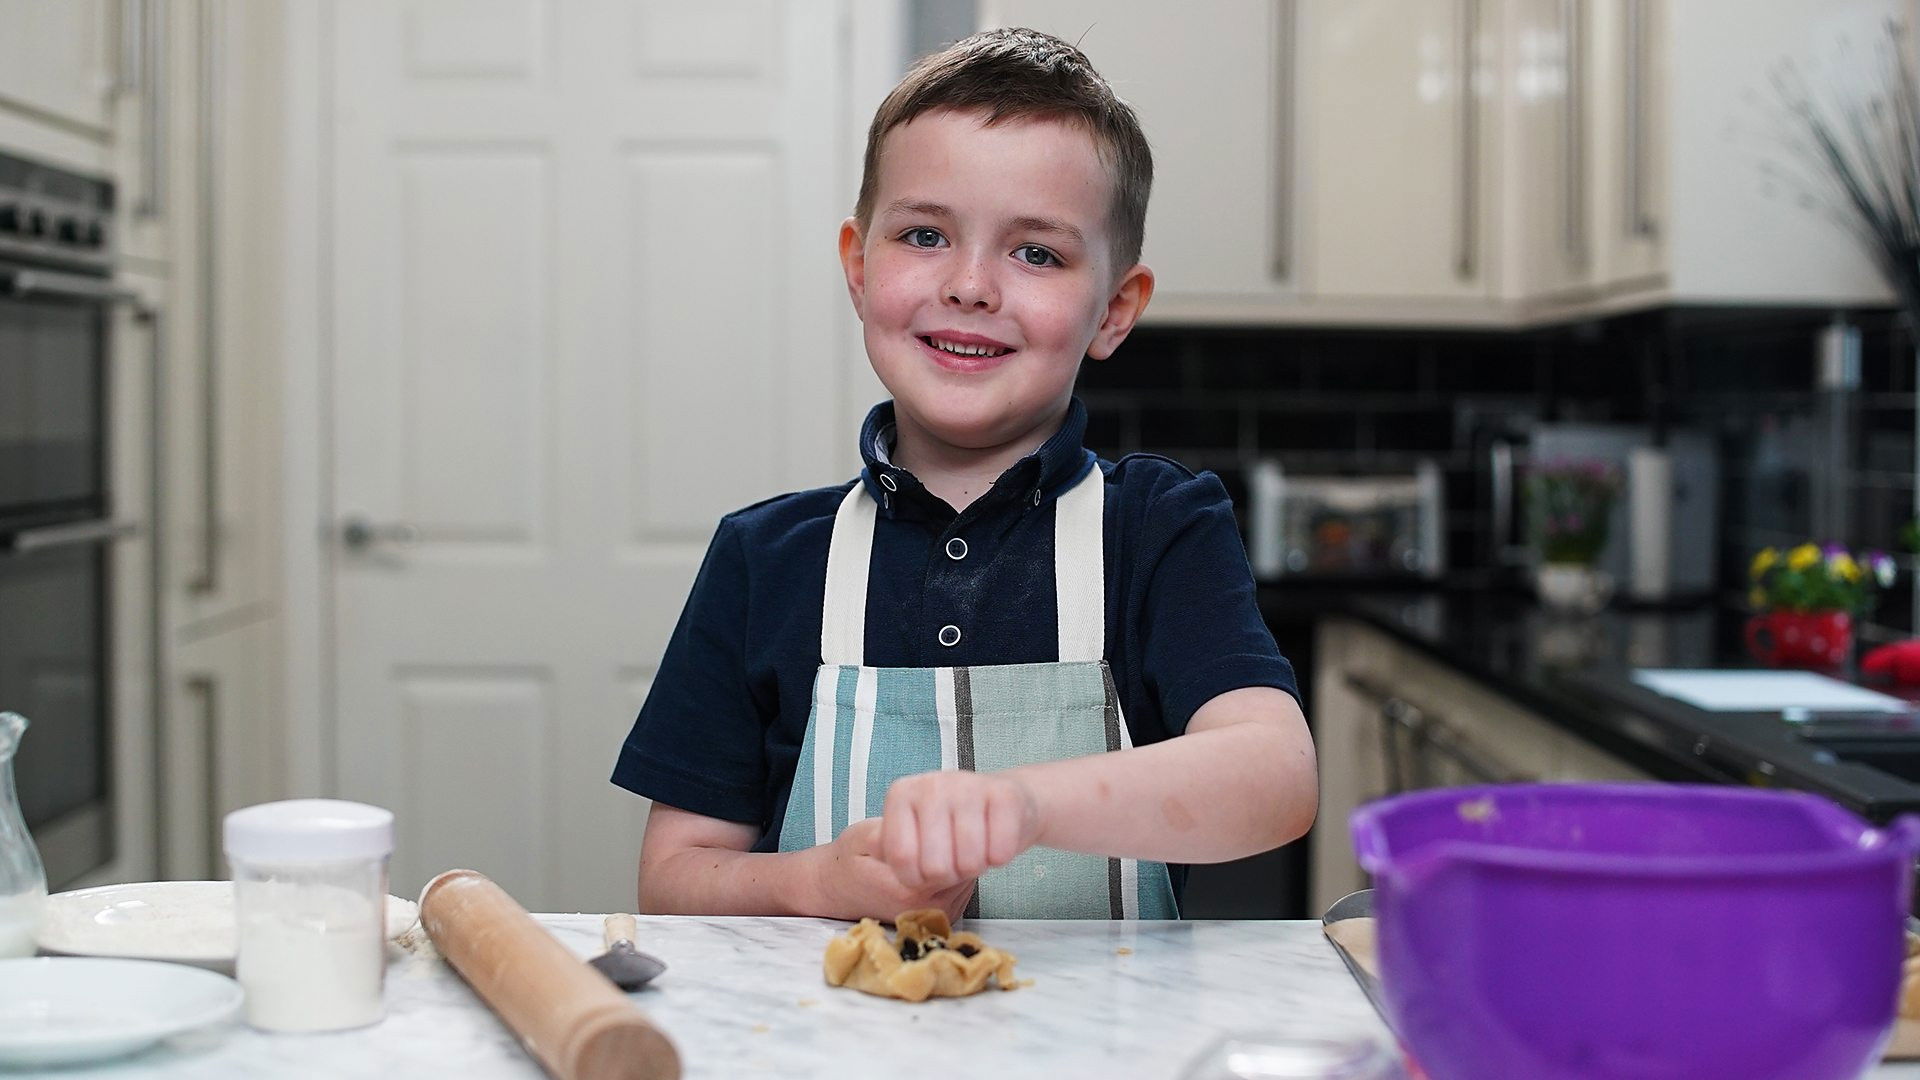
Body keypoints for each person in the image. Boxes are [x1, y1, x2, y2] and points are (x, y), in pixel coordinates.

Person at [612, 27, 1316, 922]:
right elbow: (674, 877)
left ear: (1115, 309)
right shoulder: (765, 559)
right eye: (924, 235)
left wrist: (1026, 805)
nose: (972, 286)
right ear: (860, 270)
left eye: (1037, 253)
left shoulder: (1157, 528)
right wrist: (816, 882)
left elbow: (1276, 776)